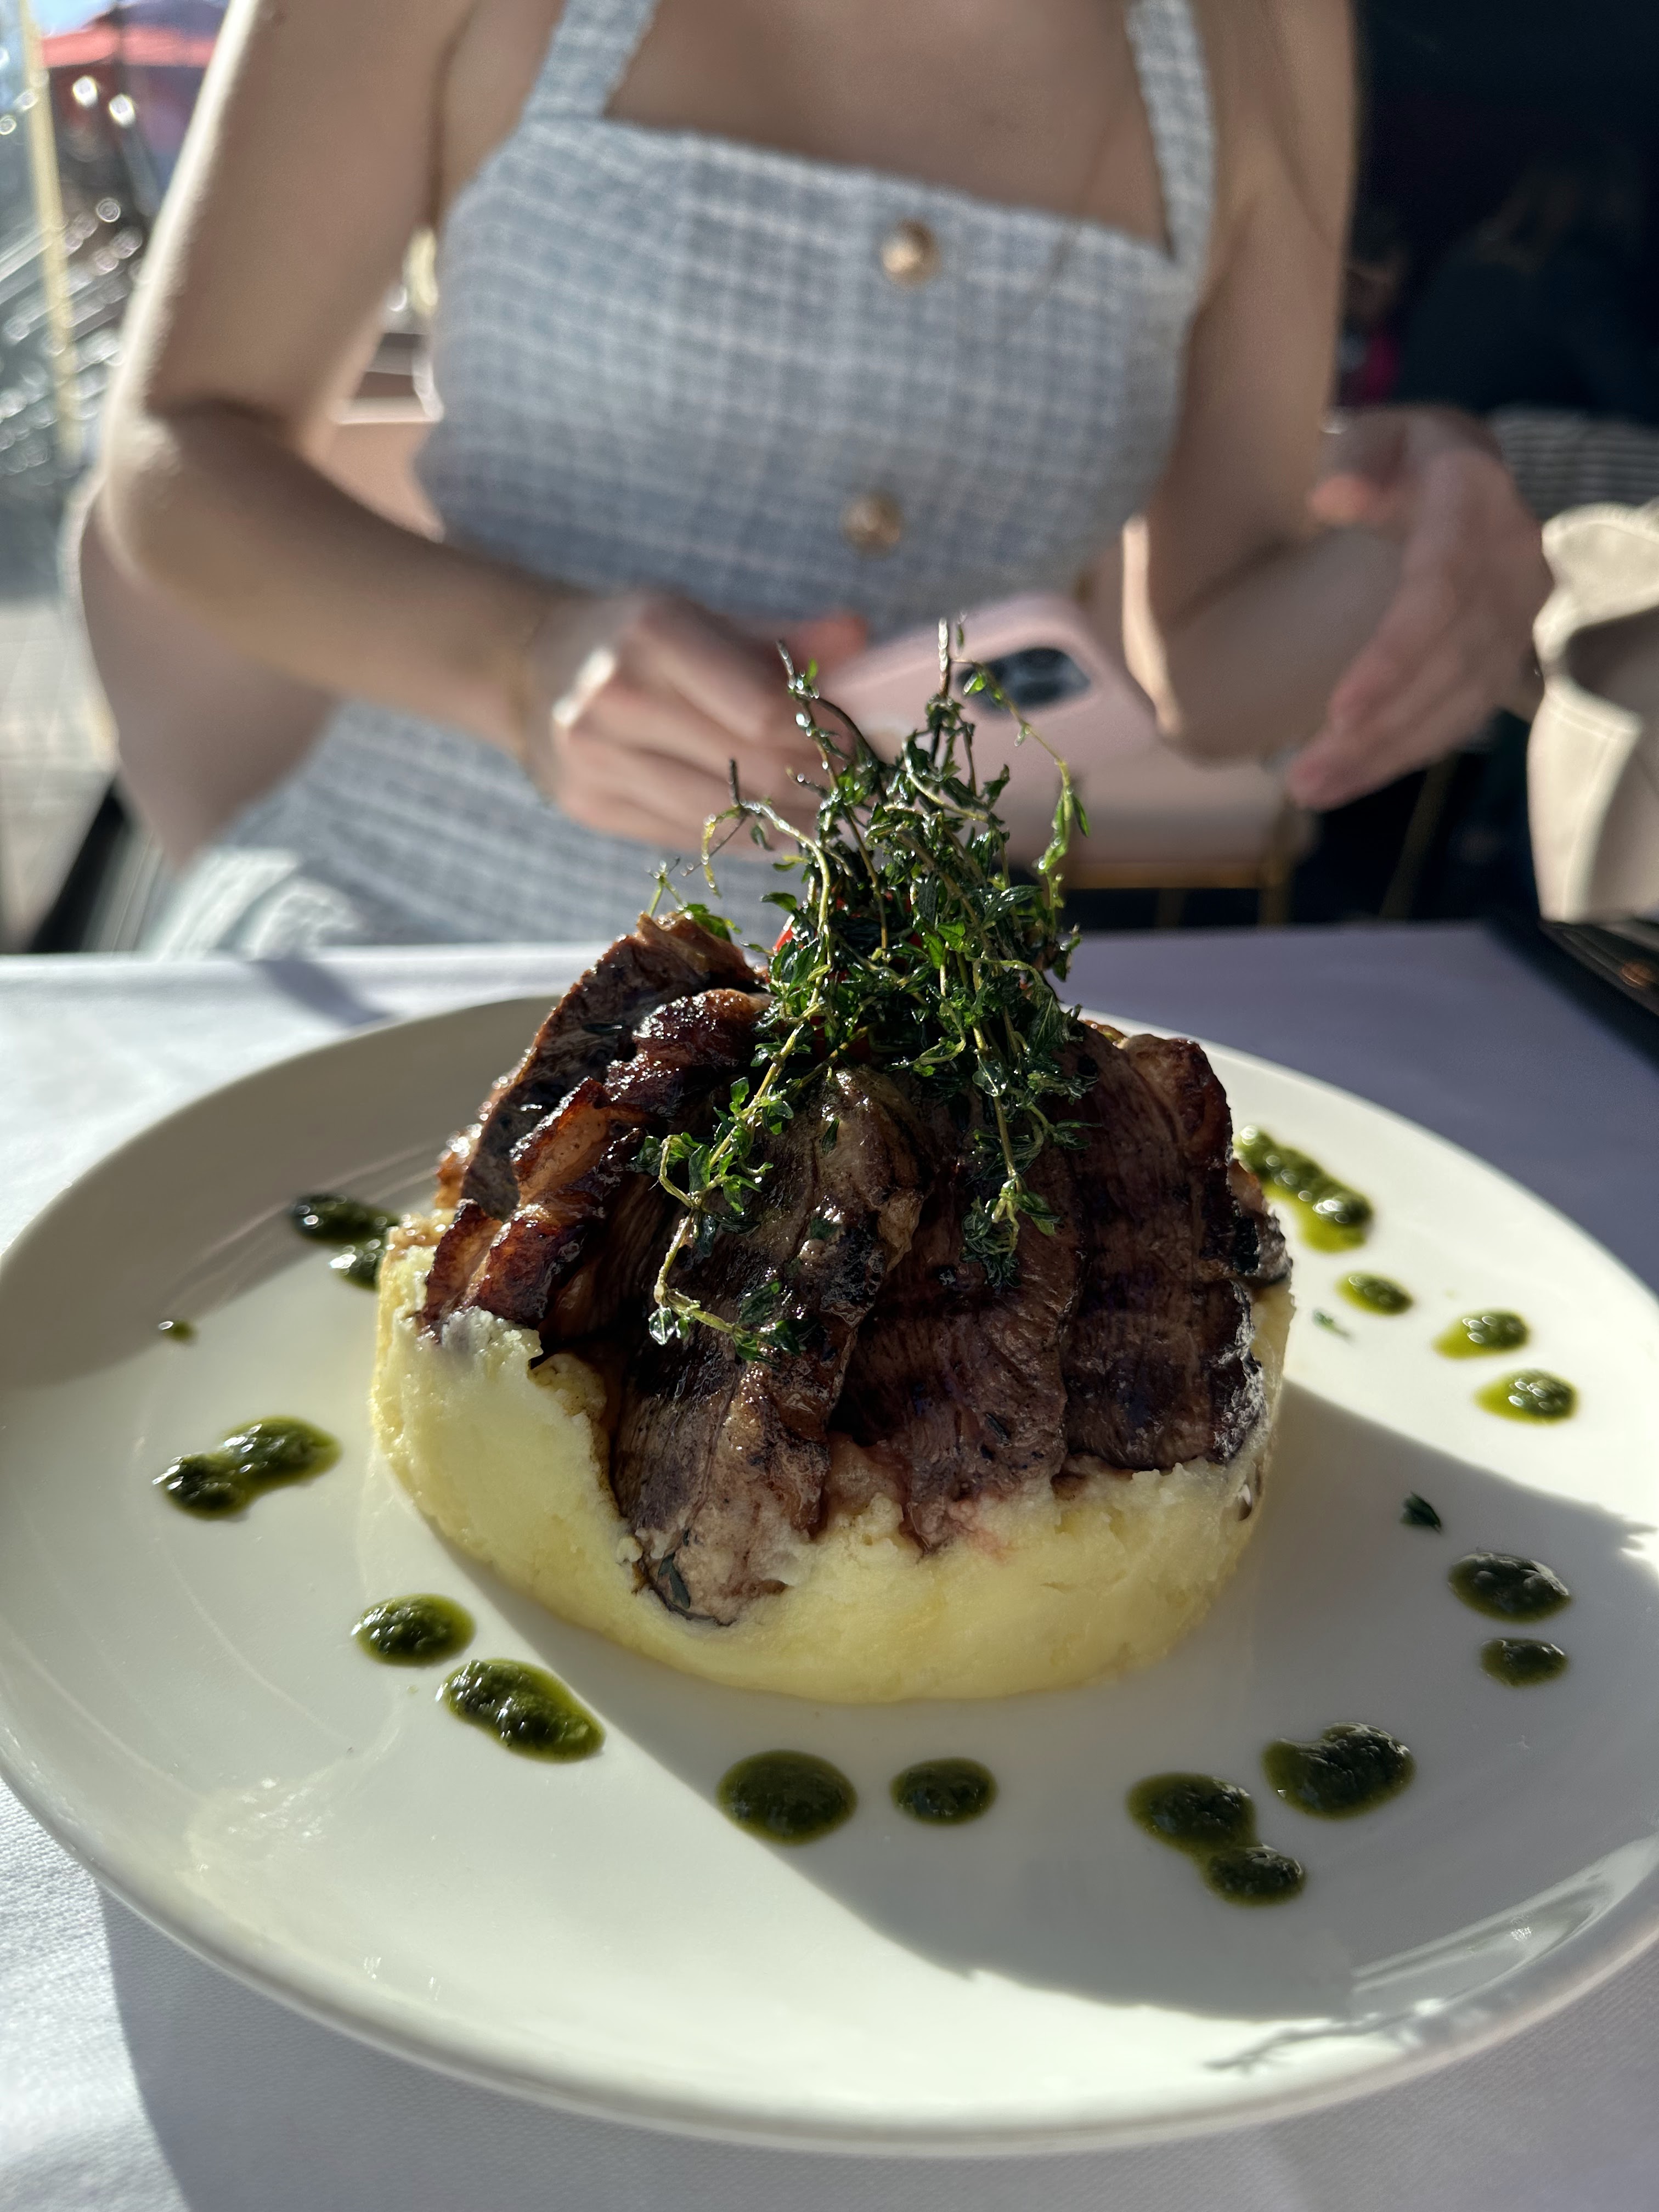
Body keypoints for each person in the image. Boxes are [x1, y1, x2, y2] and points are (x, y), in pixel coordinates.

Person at [101, 0, 1548, 952]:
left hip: (889, 1055)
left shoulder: (1259, 31)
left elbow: (1218, 660)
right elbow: (175, 453)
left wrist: (1423, 544)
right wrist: (520, 659)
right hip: (401, 933)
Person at [1396, 140, 1659, 428]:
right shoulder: (1573, 279)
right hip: (1479, 445)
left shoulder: (1469, 259)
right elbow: (1636, 398)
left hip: (1410, 436)